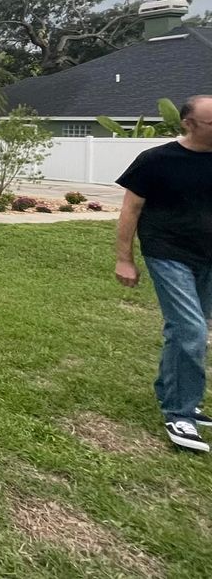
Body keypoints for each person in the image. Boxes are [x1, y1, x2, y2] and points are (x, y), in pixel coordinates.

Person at [116, 95, 212, 452]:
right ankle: (180, 413)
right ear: (189, 124)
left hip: (208, 257)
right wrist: (124, 259)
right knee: (191, 329)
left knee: (185, 329)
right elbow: (130, 210)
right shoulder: (156, 161)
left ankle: (174, 394)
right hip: (167, 253)